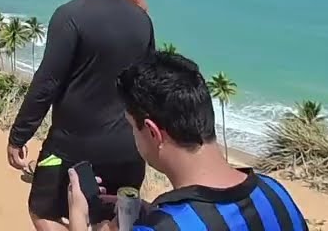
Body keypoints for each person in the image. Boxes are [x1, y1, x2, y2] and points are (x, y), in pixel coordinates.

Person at [9, 0, 155, 231]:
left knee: (43, 211)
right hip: (129, 148)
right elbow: (150, 85)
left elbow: (47, 82)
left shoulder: (70, 16)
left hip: (71, 147)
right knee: (110, 221)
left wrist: (19, 135)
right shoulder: (141, 19)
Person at [110, 51, 310, 231]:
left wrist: (78, 221)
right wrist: (156, 214)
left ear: (153, 133)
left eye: (132, 127)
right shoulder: (276, 195)